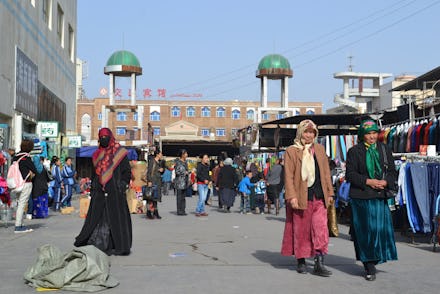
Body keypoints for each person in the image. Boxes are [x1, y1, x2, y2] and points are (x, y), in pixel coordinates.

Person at [281, 119, 335, 277]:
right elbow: (289, 176)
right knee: (302, 230)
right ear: (300, 133)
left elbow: (326, 173)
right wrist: (291, 196)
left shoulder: (319, 149)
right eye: (306, 131)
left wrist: (330, 193)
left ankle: (319, 262)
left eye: (312, 132)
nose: (309, 135)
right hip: (301, 196)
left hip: (319, 196)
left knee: (320, 229)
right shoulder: (292, 151)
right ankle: (301, 260)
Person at [345, 119, 398, 281]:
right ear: (362, 135)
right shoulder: (354, 151)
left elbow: (392, 172)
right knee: (364, 232)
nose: (372, 136)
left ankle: (374, 258)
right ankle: (368, 265)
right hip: (361, 197)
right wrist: (369, 181)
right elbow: (350, 175)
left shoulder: (384, 149)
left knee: (380, 231)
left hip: (379, 196)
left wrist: (385, 181)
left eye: (374, 133)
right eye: (368, 133)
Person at [74, 128, 132, 255]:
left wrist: (122, 185)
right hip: (99, 193)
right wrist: (93, 187)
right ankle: (97, 243)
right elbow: (95, 174)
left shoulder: (120, 153)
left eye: (106, 136)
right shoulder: (96, 154)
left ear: (110, 137)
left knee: (116, 218)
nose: (104, 139)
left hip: (115, 193)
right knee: (98, 218)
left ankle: (119, 246)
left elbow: (127, 172)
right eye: (102, 137)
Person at [12, 139, 37, 233]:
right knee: (22, 204)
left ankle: (20, 224)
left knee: (20, 204)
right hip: (26, 183)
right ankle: (18, 226)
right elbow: (34, 169)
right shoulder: (26, 158)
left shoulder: (16, 157)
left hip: (17, 184)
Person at [145, 150, 164, 219]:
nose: (161, 155)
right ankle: (149, 212)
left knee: (155, 198)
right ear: (157, 154)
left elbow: (159, 172)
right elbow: (149, 172)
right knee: (150, 197)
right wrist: (149, 181)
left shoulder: (159, 162)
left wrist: (162, 170)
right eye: (161, 154)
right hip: (152, 181)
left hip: (157, 182)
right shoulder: (152, 162)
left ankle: (156, 212)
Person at [174, 149, 189, 216]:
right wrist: (184, 172)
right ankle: (179, 211)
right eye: (185, 154)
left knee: (183, 197)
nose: (186, 155)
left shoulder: (185, 162)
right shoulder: (178, 162)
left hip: (185, 181)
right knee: (179, 197)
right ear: (182, 154)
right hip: (179, 182)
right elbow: (177, 171)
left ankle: (183, 210)